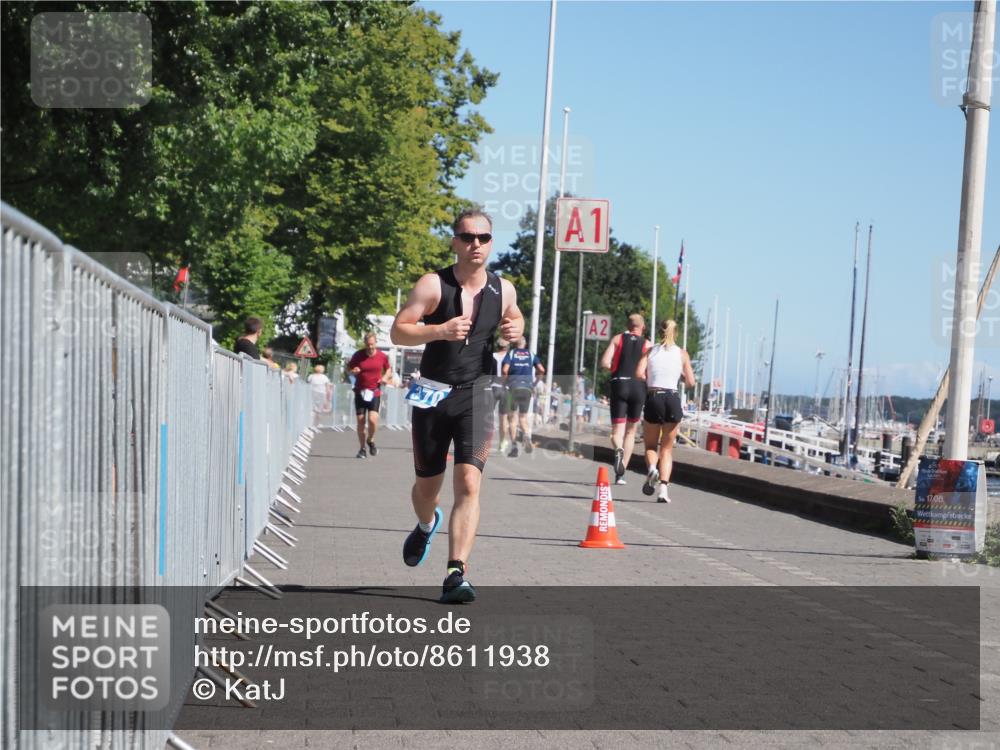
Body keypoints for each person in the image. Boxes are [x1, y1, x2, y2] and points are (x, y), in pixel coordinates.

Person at [390, 209, 522, 604]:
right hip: (433, 393)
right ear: (454, 241)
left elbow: (514, 320)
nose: (475, 245)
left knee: (468, 482)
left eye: (483, 238)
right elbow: (399, 330)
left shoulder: (504, 290)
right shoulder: (434, 285)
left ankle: (455, 573)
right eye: (467, 237)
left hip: (477, 393)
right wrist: (440, 330)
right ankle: (426, 523)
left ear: (491, 242)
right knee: (426, 488)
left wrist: (516, 331)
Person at [635, 319, 696, 503]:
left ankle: (652, 469)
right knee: (667, 449)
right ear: (675, 333)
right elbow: (691, 382)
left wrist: (651, 380)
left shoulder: (650, 351)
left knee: (651, 446)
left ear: (659, 332)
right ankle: (663, 491)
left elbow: (638, 373)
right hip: (672, 398)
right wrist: (681, 377)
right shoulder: (682, 354)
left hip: (655, 397)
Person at [600, 314, 650, 485]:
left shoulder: (617, 338)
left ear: (628, 325)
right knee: (631, 432)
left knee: (617, 432)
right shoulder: (648, 344)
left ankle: (618, 449)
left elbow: (605, 362)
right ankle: (620, 475)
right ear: (642, 327)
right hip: (638, 387)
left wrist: (614, 368)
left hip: (619, 384)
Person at [347, 333, 393, 459]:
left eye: (372, 344)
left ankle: (371, 439)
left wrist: (384, 377)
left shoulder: (382, 356)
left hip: (374, 392)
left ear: (376, 343)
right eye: (368, 344)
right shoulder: (358, 355)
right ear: (365, 344)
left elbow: (389, 370)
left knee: (373, 420)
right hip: (360, 392)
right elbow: (349, 368)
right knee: (360, 422)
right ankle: (362, 449)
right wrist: (353, 371)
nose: (370, 347)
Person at [501, 336, 544, 457]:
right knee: (523, 417)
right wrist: (534, 384)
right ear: (525, 344)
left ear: (515, 343)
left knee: (512, 418)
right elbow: (541, 369)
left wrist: (504, 383)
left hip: (513, 387)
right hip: (527, 388)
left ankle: (514, 447)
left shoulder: (512, 353)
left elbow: (505, 370)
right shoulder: (531, 354)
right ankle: (526, 435)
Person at [492, 340, 512, 454]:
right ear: (507, 347)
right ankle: (502, 441)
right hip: (506, 388)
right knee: (503, 418)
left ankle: (484, 442)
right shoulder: (510, 357)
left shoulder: (492, 356)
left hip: (493, 387)